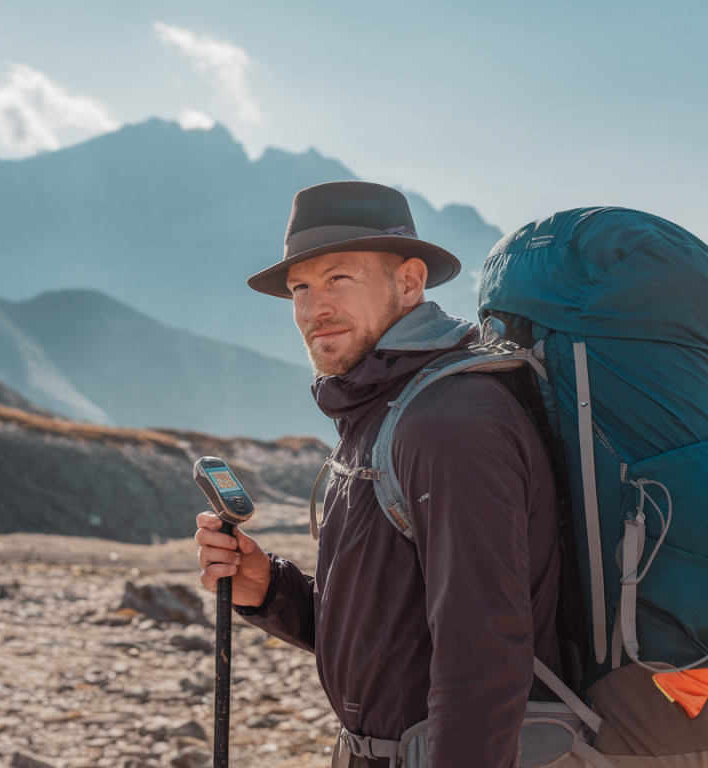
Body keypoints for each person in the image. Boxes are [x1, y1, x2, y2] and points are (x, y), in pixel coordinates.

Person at [196, 181, 562, 767]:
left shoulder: (448, 423)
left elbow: (484, 657)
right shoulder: (382, 408)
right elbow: (388, 634)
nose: (313, 309)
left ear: (410, 281)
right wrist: (268, 589)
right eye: (300, 288)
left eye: (338, 278)